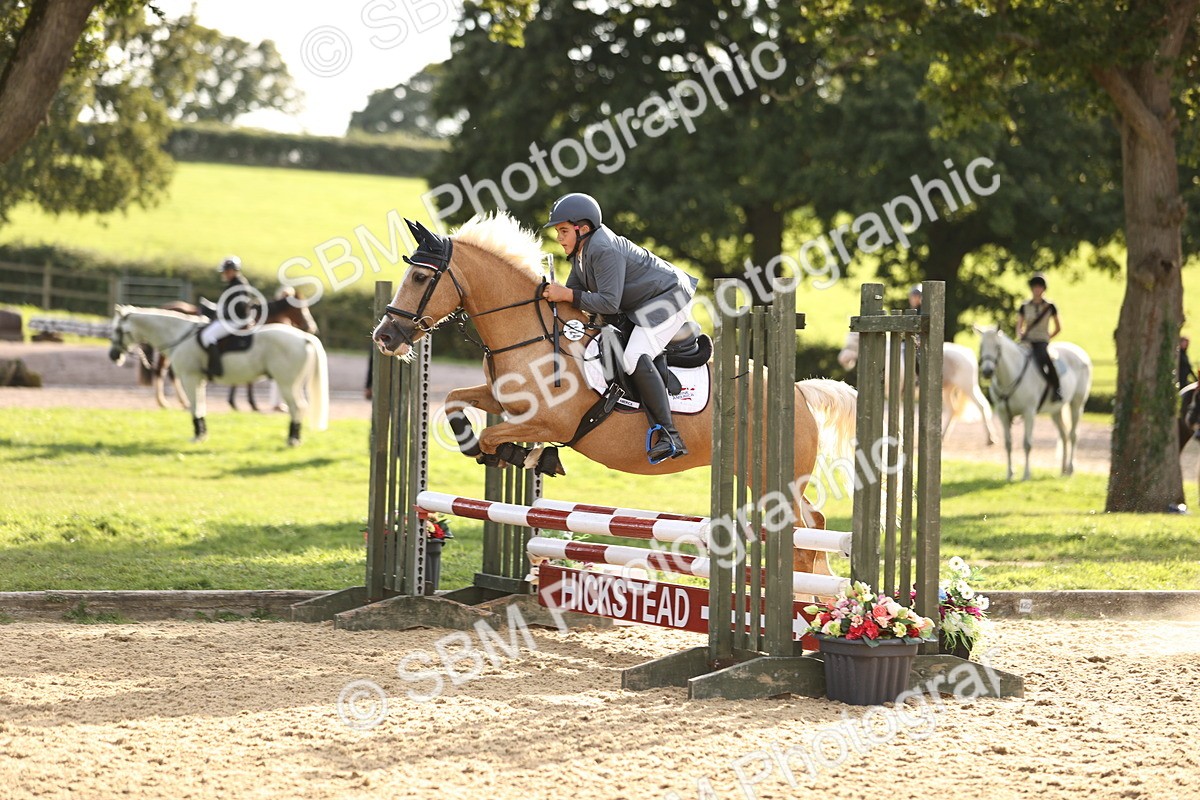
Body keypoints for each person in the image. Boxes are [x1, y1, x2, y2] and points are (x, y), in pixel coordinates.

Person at [540, 193, 698, 464]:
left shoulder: (603, 249)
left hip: (669, 297)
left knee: (633, 357)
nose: (559, 238)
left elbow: (608, 303)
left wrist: (564, 295)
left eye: (564, 231)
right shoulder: (580, 253)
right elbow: (574, 298)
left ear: (583, 229)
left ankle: (670, 436)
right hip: (641, 303)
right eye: (558, 231)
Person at [199, 256, 260, 378]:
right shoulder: (234, 283)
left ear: (234, 271)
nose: (225, 273)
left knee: (207, 336)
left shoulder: (237, 285)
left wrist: (220, 315)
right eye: (224, 271)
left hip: (237, 320)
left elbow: (239, 308)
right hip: (234, 318)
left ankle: (216, 368)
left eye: (228, 271)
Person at [1015, 273, 1062, 402]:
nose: (1037, 290)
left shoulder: (1050, 306)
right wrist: (1020, 336)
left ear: (1044, 289)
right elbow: (1019, 326)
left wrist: (1048, 337)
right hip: (1027, 340)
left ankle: (1056, 389)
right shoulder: (1024, 306)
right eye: (1035, 287)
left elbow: (1058, 327)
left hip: (1041, 341)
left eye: (1039, 287)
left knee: (1045, 359)